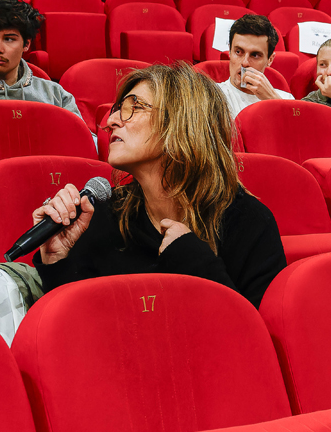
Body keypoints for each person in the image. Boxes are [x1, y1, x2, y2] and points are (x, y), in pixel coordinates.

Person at [33, 63, 287, 309]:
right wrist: (57, 259)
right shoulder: (104, 213)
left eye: (134, 107)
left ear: (182, 122)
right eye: (118, 109)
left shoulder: (250, 222)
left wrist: (192, 260)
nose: (111, 121)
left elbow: (253, 331)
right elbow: (79, 322)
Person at [215, 13, 292, 118]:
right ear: (229, 51)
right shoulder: (212, 95)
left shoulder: (286, 99)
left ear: (270, 60)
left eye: (255, 55)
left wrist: (272, 99)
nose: (245, 63)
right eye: (238, 52)